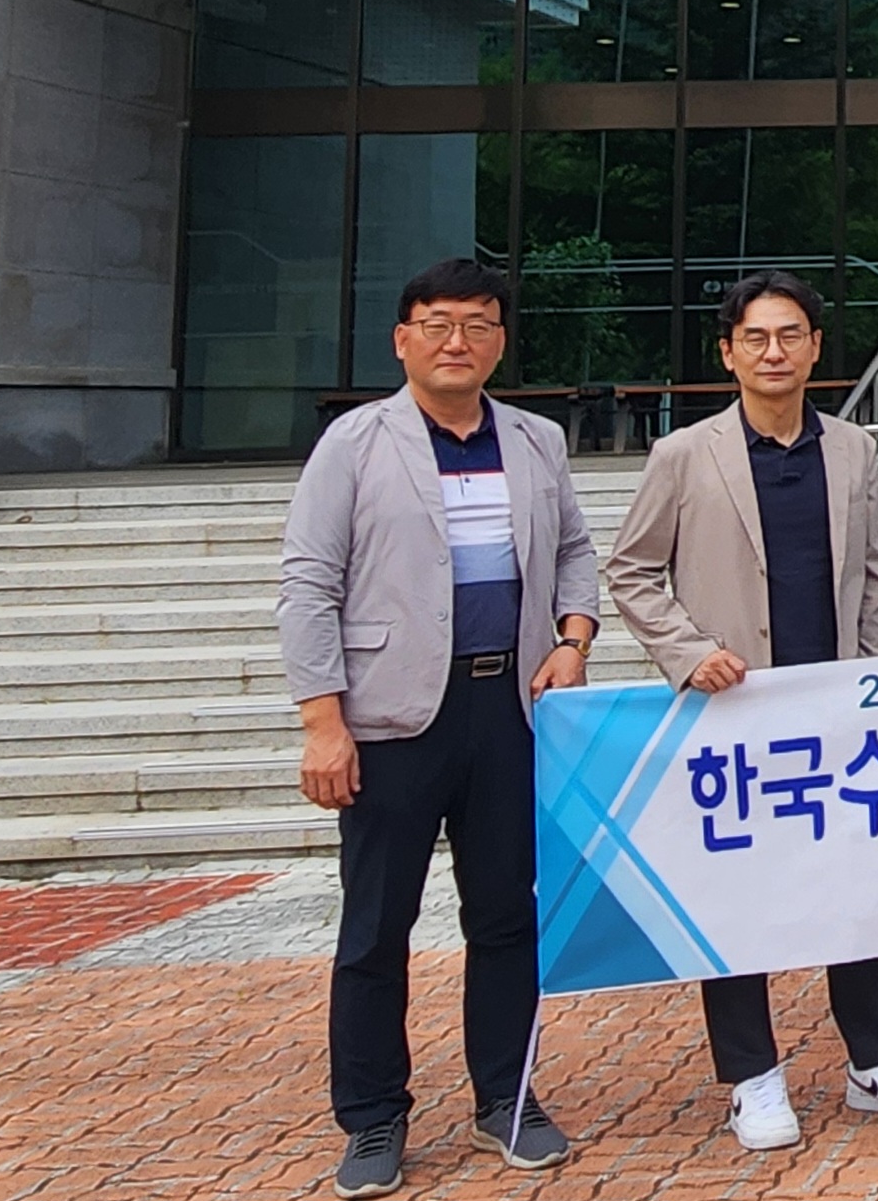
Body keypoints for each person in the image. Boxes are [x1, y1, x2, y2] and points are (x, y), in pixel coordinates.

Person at [605, 270, 878, 1149]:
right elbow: (631, 571)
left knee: (858, 887)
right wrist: (688, 651)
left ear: (815, 347)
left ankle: (877, 1060)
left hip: (834, 714)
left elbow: (873, 579)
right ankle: (752, 1077)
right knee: (736, 894)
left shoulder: (851, 448)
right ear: (727, 353)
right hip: (733, 715)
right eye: (755, 337)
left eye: (790, 334)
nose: (773, 352)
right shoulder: (685, 455)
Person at [280, 258, 597, 1199]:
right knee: (376, 927)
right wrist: (323, 722)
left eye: (478, 324)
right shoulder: (355, 443)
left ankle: (508, 1095)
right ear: (403, 338)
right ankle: (373, 1117)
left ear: (500, 340)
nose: (458, 341)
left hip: (509, 710)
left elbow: (575, 551)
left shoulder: (535, 440)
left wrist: (573, 640)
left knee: (506, 916)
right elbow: (308, 582)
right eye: (439, 323)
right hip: (391, 718)